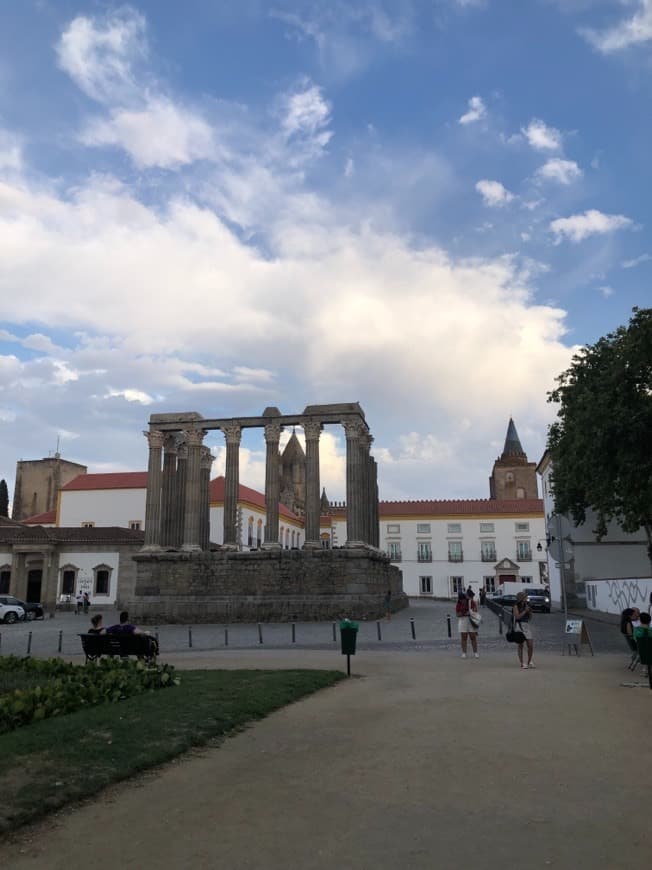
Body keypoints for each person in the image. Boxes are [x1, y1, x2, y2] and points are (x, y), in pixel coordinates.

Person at [512, 591, 534, 669]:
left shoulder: (527, 605)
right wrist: (525, 611)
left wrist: (530, 612)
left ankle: (529, 661)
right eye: (525, 597)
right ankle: (522, 663)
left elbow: (530, 618)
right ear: (521, 598)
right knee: (520, 644)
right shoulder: (515, 606)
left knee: (530, 645)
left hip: (526, 625)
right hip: (519, 625)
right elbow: (517, 617)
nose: (526, 599)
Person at [455, 590, 479, 659]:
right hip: (463, 621)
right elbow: (457, 614)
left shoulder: (471, 602)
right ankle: (464, 653)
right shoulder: (458, 603)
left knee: (473, 637)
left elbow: (475, 610)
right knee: (463, 637)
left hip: (470, 621)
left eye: (463, 600)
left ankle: (475, 652)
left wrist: (470, 612)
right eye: (461, 600)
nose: (462, 601)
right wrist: (464, 613)